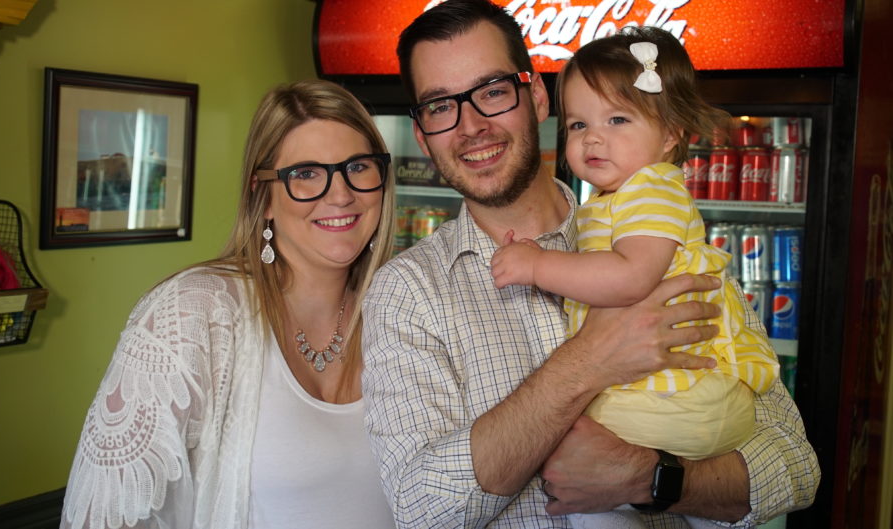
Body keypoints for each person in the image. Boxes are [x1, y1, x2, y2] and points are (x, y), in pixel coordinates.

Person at [360, 1, 819, 528]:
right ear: (421, 134)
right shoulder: (405, 292)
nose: (472, 126)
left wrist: (650, 478)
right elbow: (421, 511)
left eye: (491, 92)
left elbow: (796, 467)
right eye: (441, 107)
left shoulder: (661, 243)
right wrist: (589, 361)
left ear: (535, 98)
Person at [60, 79, 397, 529]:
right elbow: (102, 517)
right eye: (306, 174)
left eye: (358, 167)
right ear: (263, 197)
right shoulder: (193, 314)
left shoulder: (397, 316)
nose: (340, 194)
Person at [488, 26, 782, 529]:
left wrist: (537, 265)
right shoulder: (617, 200)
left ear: (670, 133)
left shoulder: (652, 190)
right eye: (579, 124)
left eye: (618, 119)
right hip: (688, 397)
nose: (593, 137)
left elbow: (630, 278)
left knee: (563, 445)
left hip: (676, 397)